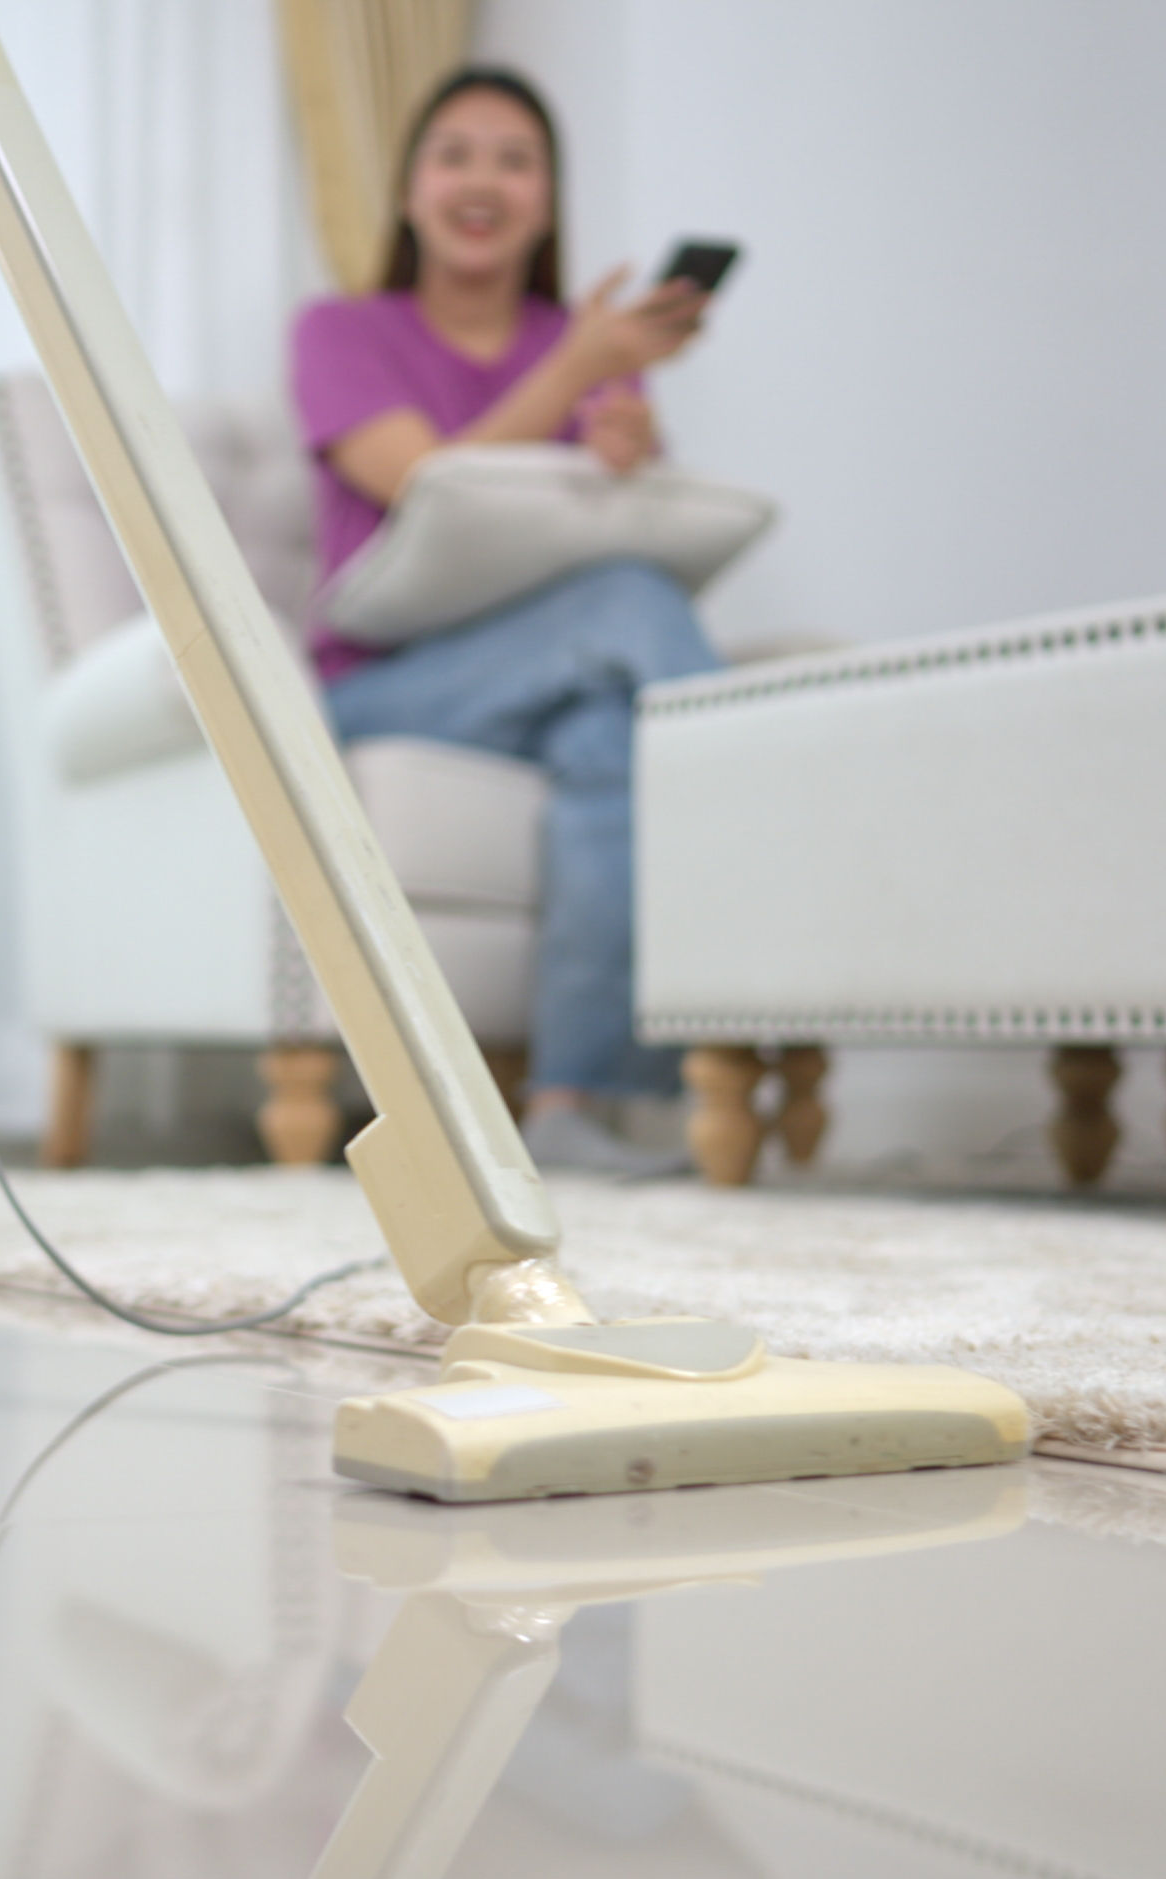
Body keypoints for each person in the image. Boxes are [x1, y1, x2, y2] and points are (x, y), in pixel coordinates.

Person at [290, 66, 724, 1179]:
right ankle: (749, 868)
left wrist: (622, 457)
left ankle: (574, 1106)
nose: (483, 180)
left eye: (514, 159)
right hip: (384, 680)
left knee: (607, 737)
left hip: (549, 677)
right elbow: (427, 488)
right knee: (631, 612)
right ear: (408, 191)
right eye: (457, 154)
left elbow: (620, 548)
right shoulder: (340, 332)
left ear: (548, 200)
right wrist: (580, 370)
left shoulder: (578, 349)